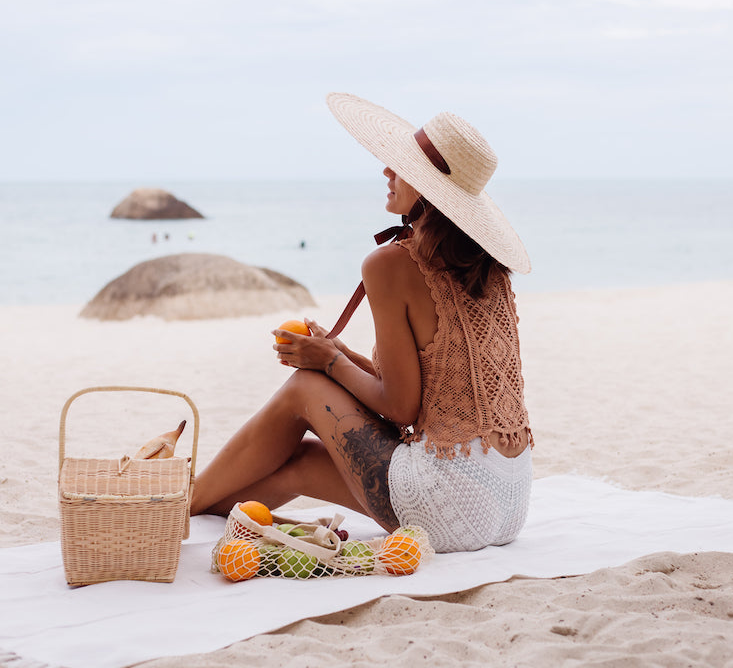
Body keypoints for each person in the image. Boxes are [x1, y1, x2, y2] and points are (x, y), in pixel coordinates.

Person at [190, 93, 533, 553]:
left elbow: (401, 408)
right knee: (300, 464)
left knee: (302, 389)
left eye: (400, 167)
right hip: (509, 503)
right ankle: (193, 513)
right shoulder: (489, 265)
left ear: (428, 189)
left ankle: (175, 503)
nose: (386, 173)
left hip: (449, 505)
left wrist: (328, 361)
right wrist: (343, 356)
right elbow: (438, 393)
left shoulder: (390, 264)